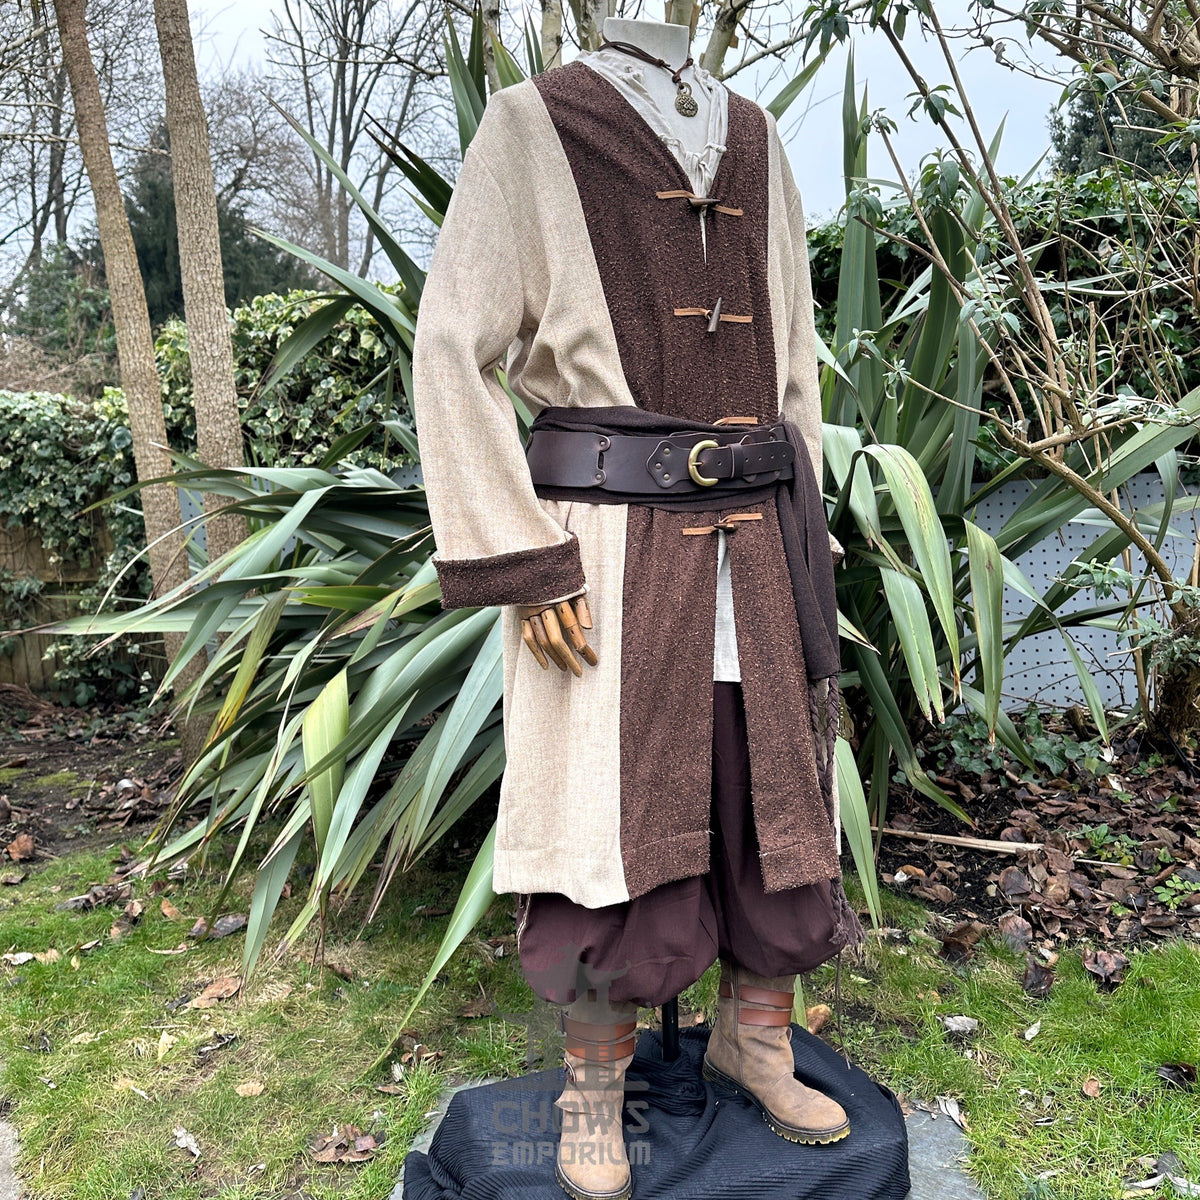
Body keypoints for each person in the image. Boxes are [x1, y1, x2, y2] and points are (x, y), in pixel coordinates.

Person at [411, 16, 862, 1200]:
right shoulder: (533, 124)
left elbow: (798, 357)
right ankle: (595, 1085)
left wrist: (805, 534)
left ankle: (755, 1035)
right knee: (607, 809)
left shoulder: (756, 137)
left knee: (772, 795)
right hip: (605, 552)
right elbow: (453, 343)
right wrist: (521, 555)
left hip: (757, 540)